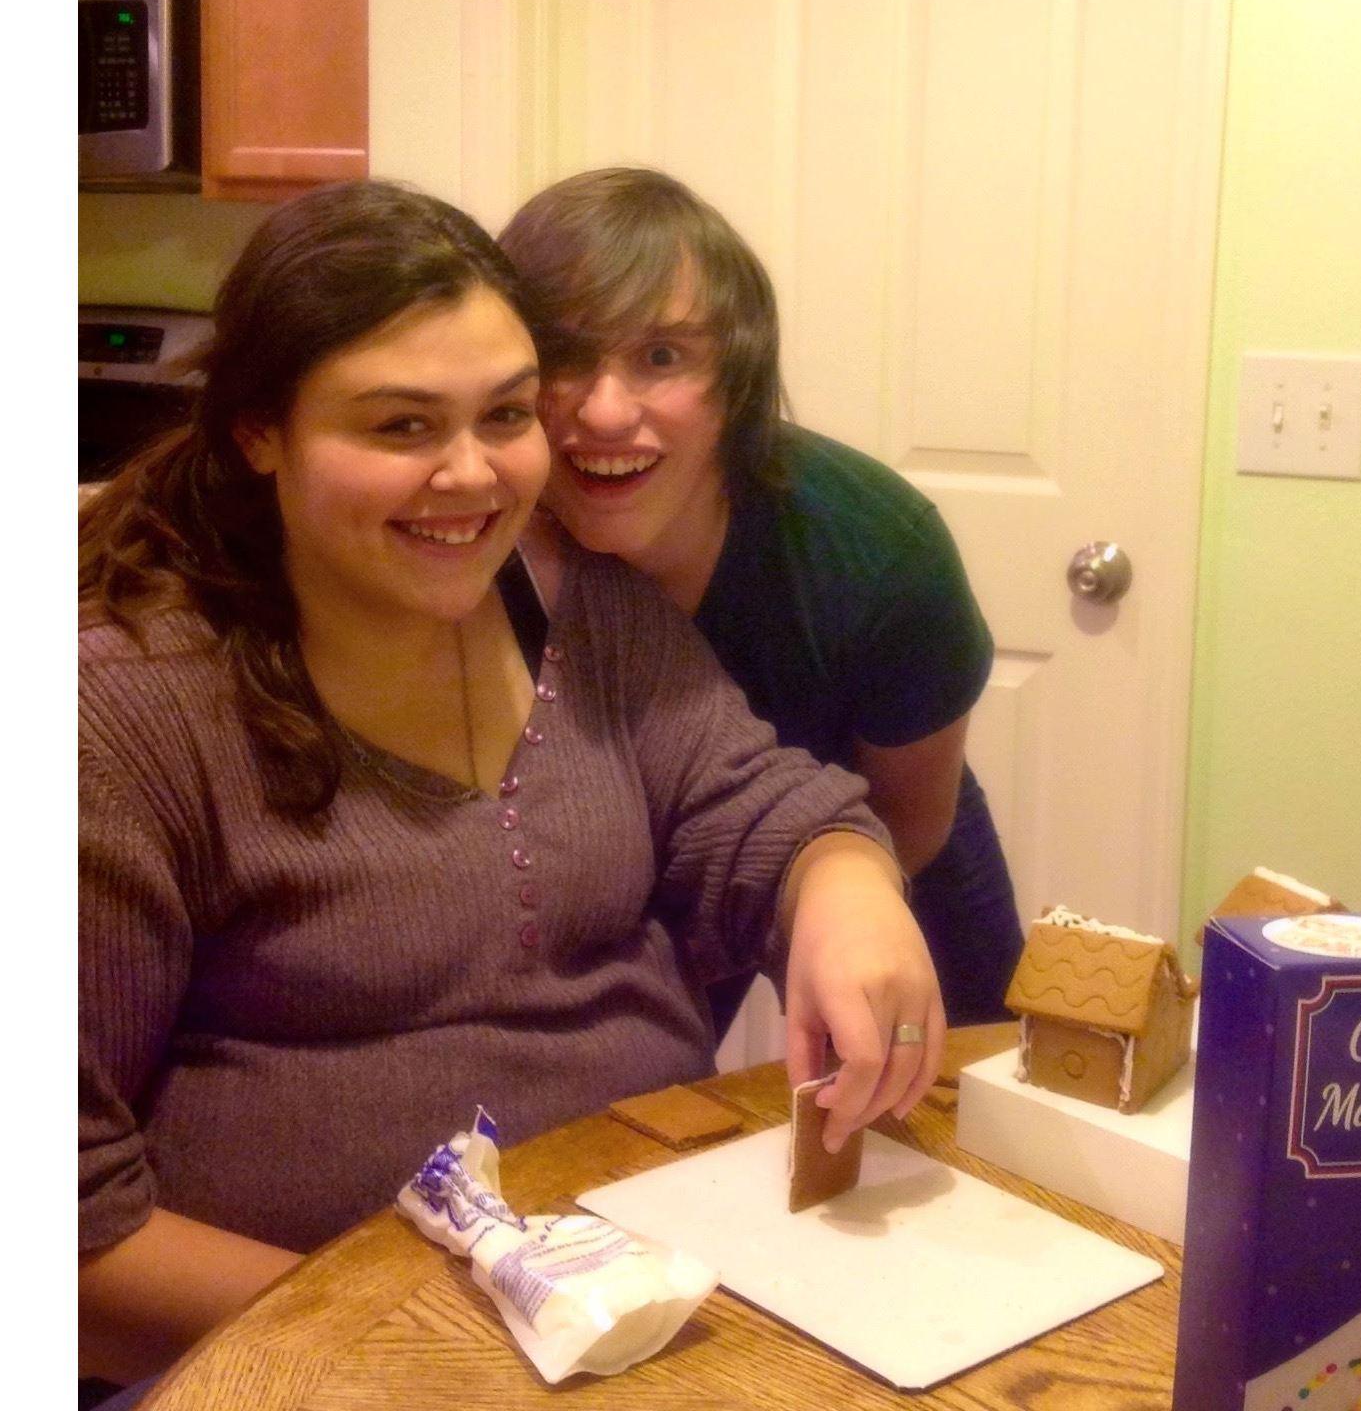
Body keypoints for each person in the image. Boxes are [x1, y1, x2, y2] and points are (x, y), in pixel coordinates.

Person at [78, 179, 943, 1390]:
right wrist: (423, 1339)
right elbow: (67, 1242)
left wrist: (847, 884)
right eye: (399, 426)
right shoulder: (124, 710)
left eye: (501, 414)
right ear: (258, 433)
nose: (472, 475)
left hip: (656, 1310)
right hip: (310, 1370)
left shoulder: (589, 617)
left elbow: (763, 807)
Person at [498, 168, 1025, 1033]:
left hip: (883, 837)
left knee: (970, 1097)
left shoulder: (877, 553)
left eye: (662, 356)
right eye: (563, 355)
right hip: (639, 868)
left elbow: (908, 815)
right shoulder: (479, 543)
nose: (604, 411)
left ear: (737, 381)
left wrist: (823, 915)